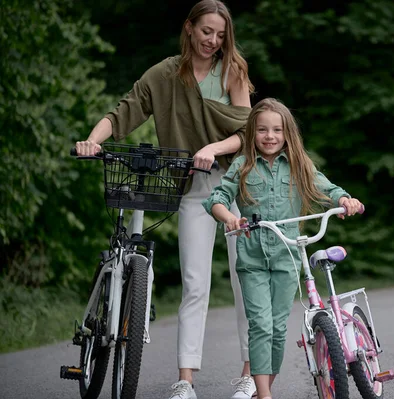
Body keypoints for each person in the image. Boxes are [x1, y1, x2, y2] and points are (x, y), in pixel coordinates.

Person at [74, 1, 258, 398]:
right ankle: (185, 381)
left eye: (221, 34)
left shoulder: (232, 72)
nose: (213, 40)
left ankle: (249, 375)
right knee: (194, 283)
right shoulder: (164, 74)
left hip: (235, 186)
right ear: (189, 28)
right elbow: (124, 111)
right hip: (192, 189)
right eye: (206, 31)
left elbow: (248, 133)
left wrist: (212, 146)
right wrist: (92, 140)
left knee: (245, 279)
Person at [202, 98, 364, 399]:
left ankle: (263, 390)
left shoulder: (300, 164)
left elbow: (325, 188)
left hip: (286, 256)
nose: (270, 136)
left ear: (287, 132)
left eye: (277, 130)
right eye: (262, 130)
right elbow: (216, 199)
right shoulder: (242, 165)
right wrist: (230, 218)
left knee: (277, 329)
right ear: (253, 133)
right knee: (260, 326)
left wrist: (345, 200)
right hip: (251, 257)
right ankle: (264, 395)